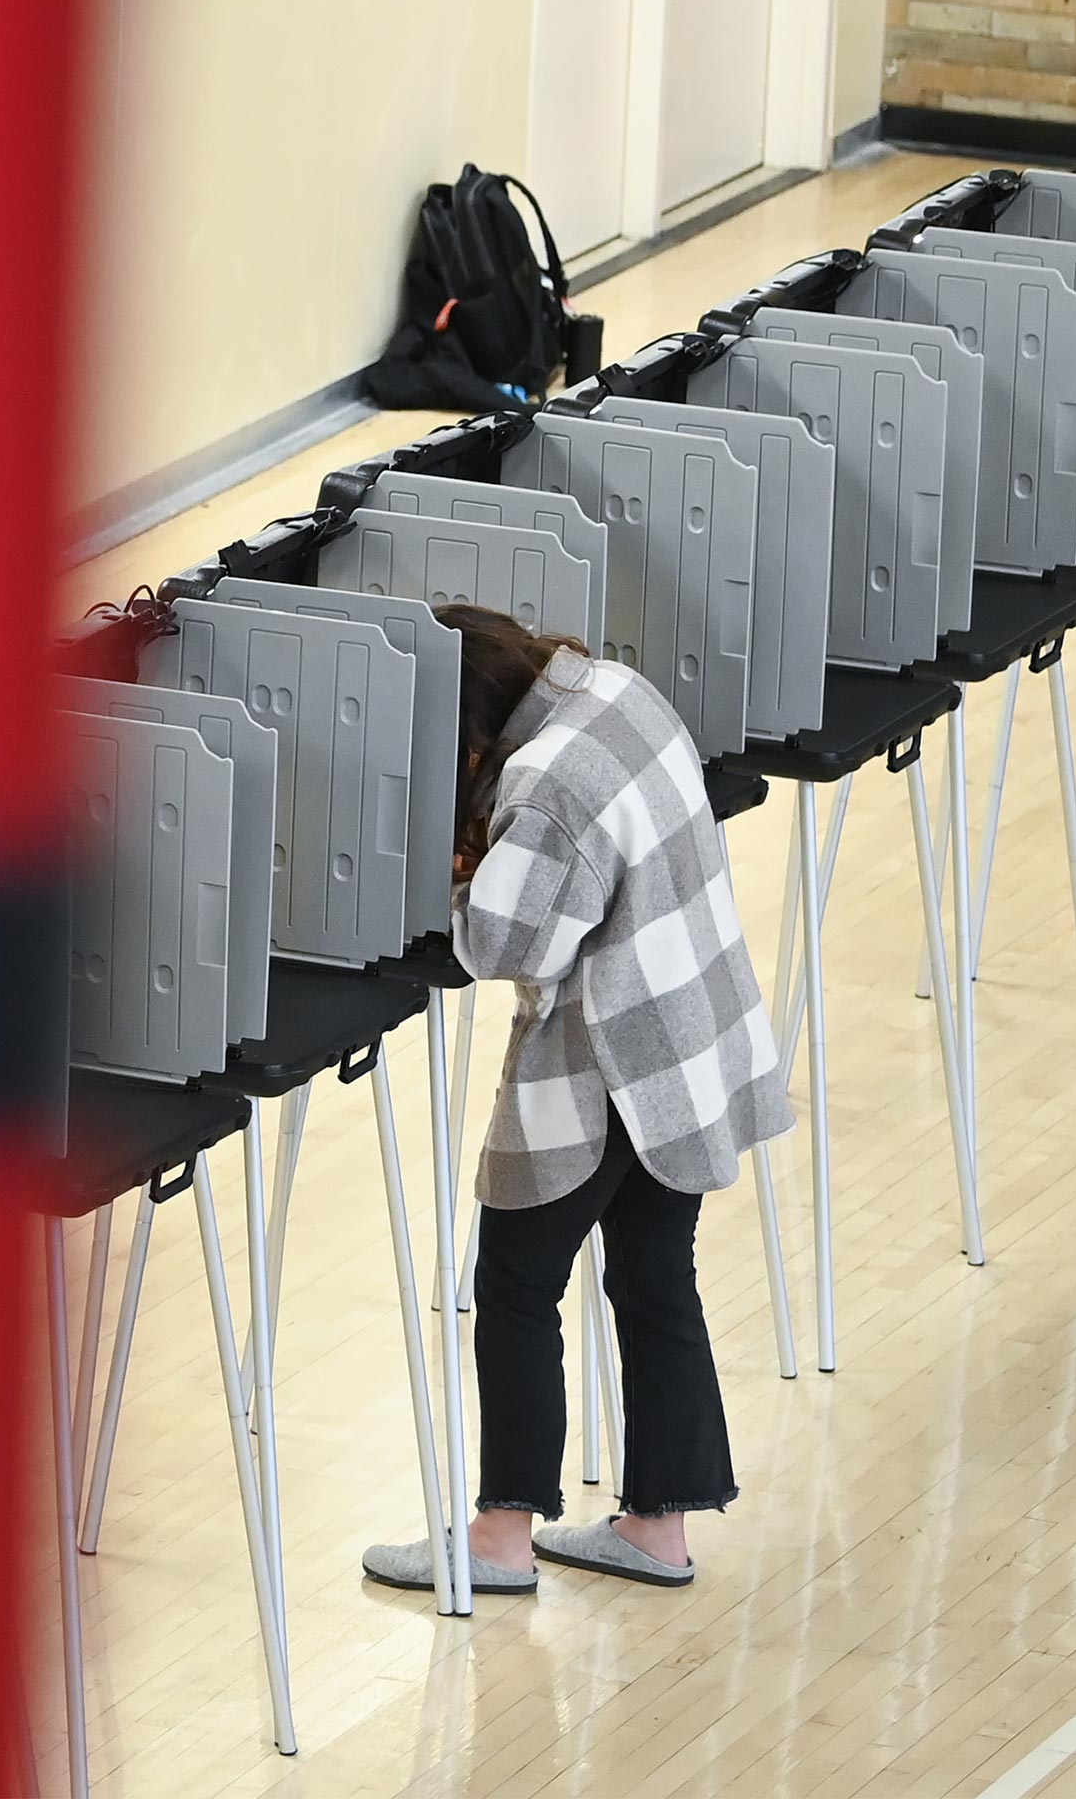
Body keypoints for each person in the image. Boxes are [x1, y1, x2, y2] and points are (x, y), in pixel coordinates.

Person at [362, 605, 793, 1598]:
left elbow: (513, 944)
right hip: (690, 1039)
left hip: (609, 1068)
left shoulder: (547, 784)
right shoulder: (611, 689)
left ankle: (501, 1537)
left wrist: (448, 881)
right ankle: (657, 1527)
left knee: (513, 1290)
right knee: (654, 1277)